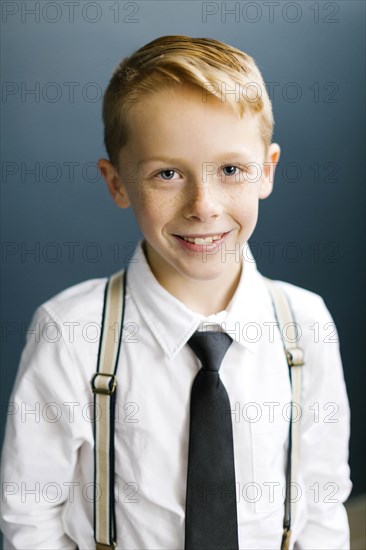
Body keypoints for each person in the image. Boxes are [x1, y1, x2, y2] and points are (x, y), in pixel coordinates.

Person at [0, 35, 352, 549]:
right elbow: (30, 516)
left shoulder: (306, 322)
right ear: (117, 183)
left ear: (267, 171)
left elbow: (321, 503)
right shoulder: (71, 332)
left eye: (231, 169)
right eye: (167, 174)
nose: (203, 205)